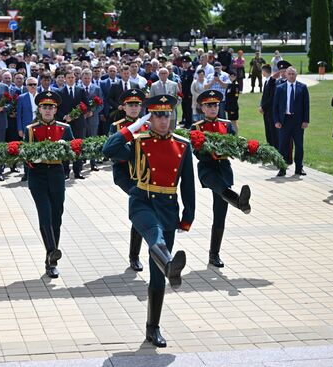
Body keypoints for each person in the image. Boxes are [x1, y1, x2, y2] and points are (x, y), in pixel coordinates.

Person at [103, 94, 195, 347]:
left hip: (169, 207)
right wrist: (132, 127)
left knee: (157, 276)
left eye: (167, 115)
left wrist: (188, 216)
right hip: (142, 202)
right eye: (158, 115)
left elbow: (188, 183)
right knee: (155, 236)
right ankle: (169, 264)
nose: (164, 120)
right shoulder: (138, 141)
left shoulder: (183, 144)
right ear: (149, 117)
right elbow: (108, 149)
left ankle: (152, 328)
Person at [192, 90, 251, 268]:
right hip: (208, 169)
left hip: (224, 169)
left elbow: (235, 145)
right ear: (202, 107)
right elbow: (197, 152)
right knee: (219, 187)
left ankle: (214, 254)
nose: (213, 108)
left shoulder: (226, 125)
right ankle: (240, 202)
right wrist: (210, 151)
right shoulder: (197, 127)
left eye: (216, 105)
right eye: (209, 105)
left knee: (220, 215)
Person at [24, 91, 74, 278]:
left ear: (56, 109)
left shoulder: (64, 128)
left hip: (56, 174)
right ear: (39, 109)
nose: (47, 110)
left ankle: (50, 257)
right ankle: (52, 254)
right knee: (45, 215)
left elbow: (74, 150)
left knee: (57, 217)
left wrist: (65, 149)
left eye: (51, 107)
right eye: (44, 106)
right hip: (38, 176)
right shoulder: (31, 129)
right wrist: (33, 159)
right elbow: (25, 156)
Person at [108, 89, 149, 271]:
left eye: (137, 105)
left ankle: (136, 254)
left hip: (146, 175)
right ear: (123, 107)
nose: (134, 108)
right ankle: (135, 256)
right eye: (130, 105)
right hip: (125, 174)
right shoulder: (116, 126)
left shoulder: (148, 125)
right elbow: (114, 153)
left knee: (141, 210)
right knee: (140, 204)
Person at [273, 67, 310, 177]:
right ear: (285, 75)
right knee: (283, 145)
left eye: (293, 74)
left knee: (299, 146)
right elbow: (275, 107)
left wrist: (306, 120)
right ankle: (282, 168)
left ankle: (299, 168)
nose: (291, 76)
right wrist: (276, 121)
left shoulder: (302, 87)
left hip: (298, 122)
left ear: (296, 75)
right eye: (289, 74)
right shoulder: (280, 88)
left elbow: (306, 106)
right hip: (284, 120)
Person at [57, 70, 89, 179]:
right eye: (68, 77)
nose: (71, 79)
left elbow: (86, 106)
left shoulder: (80, 90)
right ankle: (65, 171)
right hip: (65, 123)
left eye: (72, 77)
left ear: (75, 78)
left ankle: (77, 171)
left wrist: (75, 115)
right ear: (65, 79)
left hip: (79, 124)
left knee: (78, 146)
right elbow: (57, 108)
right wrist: (64, 116)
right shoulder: (60, 91)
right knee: (65, 146)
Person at [80, 68, 104, 171]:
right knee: (81, 142)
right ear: (81, 78)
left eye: (88, 78)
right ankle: (80, 163)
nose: (86, 80)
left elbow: (101, 104)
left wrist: (93, 112)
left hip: (93, 119)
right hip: (81, 120)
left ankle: (93, 163)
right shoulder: (78, 88)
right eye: (85, 78)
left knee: (93, 141)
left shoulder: (96, 88)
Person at [259, 64, 278, 148]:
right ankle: (269, 145)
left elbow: (270, 97)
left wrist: (263, 107)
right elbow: (264, 96)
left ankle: (274, 146)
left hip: (270, 110)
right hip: (266, 110)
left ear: (264, 71)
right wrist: (261, 106)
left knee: (272, 130)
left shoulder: (272, 81)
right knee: (267, 129)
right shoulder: (266, 81)